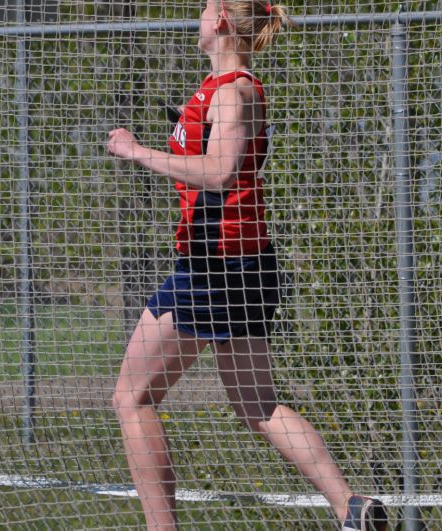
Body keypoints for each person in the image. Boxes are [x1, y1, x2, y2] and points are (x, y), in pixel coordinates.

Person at [106, 1, 387, 529]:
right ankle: (350, 507)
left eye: (203, 8)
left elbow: (219, 173)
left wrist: (138, 152)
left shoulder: (233, 91)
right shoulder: (222, 90)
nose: (196, 17)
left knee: (131, 397)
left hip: (214, 266)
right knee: (257, 405)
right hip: (245, 263)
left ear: (219, 24)